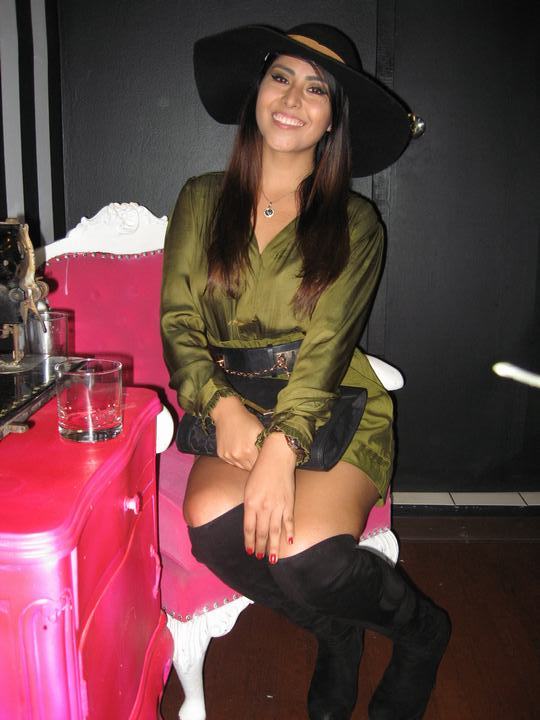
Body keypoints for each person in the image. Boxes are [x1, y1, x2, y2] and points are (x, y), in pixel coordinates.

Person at [161, 23, 450, 720]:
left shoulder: (356, 222)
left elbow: (326, 353)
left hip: (335, 408)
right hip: (234, 407)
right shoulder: (201, 198)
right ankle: (335, 634)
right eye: (281, 77)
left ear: (332, 119)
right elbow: (179, 324)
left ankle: (422, 634)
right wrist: (221, 408)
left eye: (316, 90)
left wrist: (281, 450)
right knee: (211, 525)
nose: (293, 99)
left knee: (302, 555)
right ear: (257, 91)